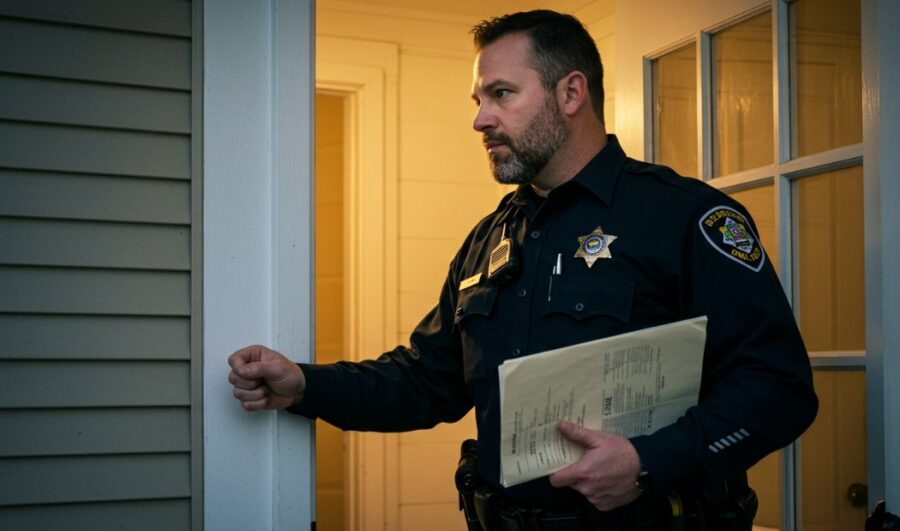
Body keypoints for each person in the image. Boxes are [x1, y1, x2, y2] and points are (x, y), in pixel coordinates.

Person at [228, 9, 817, 530]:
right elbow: (425, 381)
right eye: (478, 101)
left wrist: (647, 463)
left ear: (571, 93)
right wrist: (305, 385)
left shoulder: (683, 216)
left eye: (501, 94)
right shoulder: (489, 239)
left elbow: (778, 388)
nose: (481, 120)